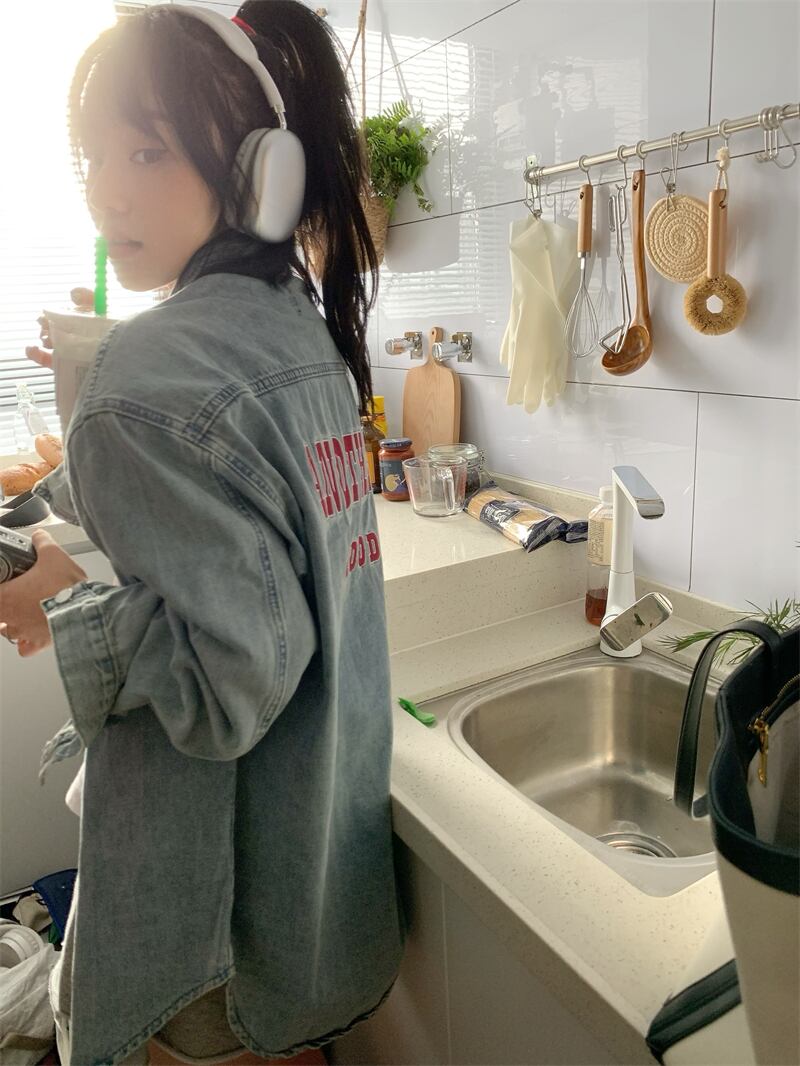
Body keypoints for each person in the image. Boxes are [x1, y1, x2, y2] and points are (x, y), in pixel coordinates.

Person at [0, 3, 405, 1063]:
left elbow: (234, 680)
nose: (106, 189)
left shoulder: (153, 370)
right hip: (312, 875)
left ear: (256, 169)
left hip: (212, 916)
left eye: (147, 149)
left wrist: (62, 604)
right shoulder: (302, 334)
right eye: (94, 154)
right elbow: (231, 518)